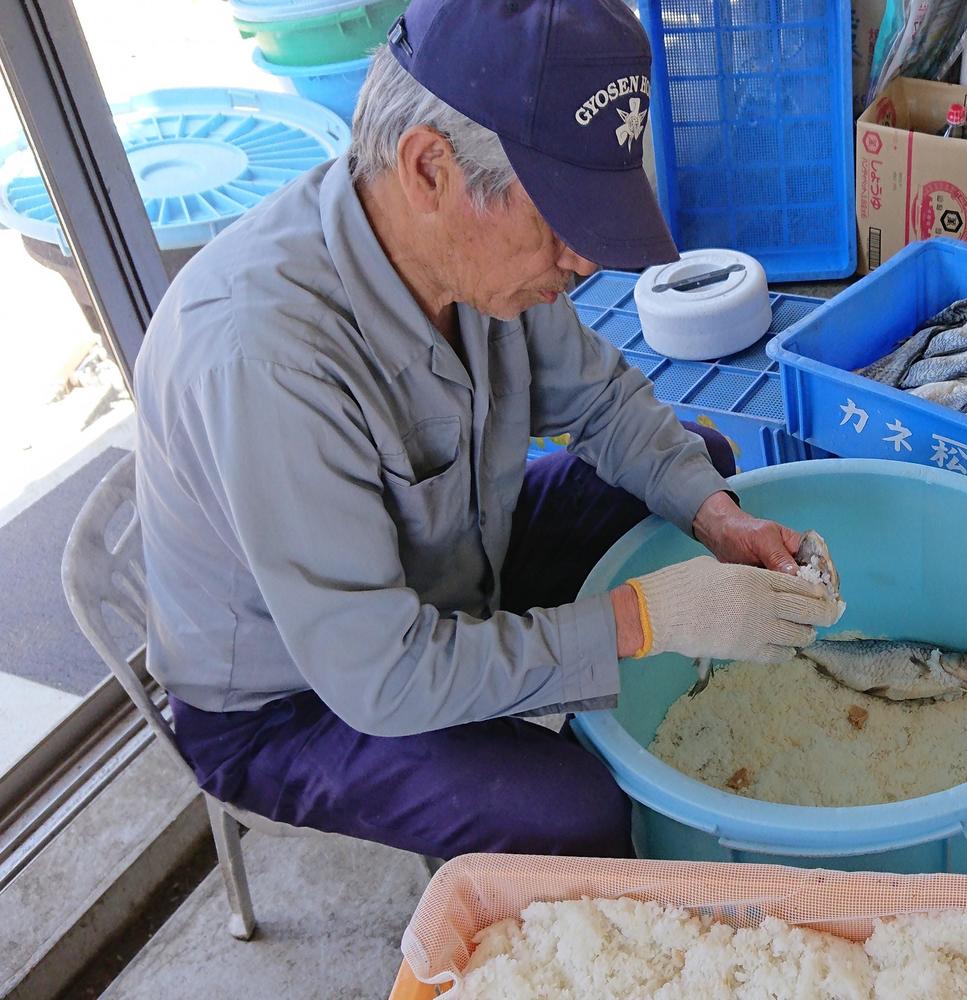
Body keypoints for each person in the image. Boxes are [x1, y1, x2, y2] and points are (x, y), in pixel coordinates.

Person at [131, 0, 842, 861]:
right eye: (558, 219)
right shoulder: (264, 360)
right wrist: (642, 620)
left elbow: (604, 403)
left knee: (701, 460)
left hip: (460, 559)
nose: (581, 260)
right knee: (578, 812)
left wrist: (718, 519)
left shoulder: (468, 256)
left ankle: (575, 685)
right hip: (296, 697)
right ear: (429, 169)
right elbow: (382, 674)